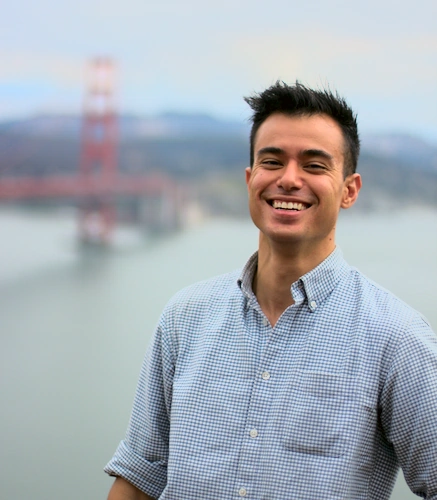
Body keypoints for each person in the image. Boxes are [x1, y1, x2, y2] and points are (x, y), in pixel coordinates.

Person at [105, 82, 437, 499]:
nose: (289, 179)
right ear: (250, 179)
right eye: (272, 161)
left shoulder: (397, 338)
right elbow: (140, 473)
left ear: (350, 190)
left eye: (315, 166)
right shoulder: (185, 316)